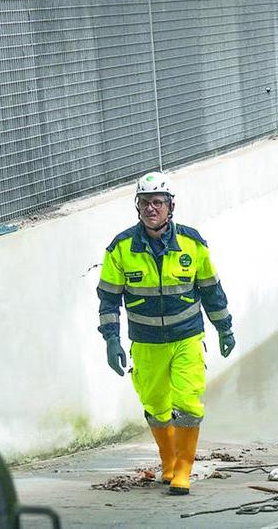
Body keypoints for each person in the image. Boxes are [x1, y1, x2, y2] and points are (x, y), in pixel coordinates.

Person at [96, 171, 236, 495]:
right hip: (146, 344)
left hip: (187, 338)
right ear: (137, 206)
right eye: (145, 202)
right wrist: (112, 340)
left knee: (188, 402)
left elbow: (212, 291)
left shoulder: (192, 243)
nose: (151, 208)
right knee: (156, 405)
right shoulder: (120, 249)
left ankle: (184, 469)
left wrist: (224, 328)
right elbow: (108, 299)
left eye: (158, 202)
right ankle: (169, 460)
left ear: (171, 206)